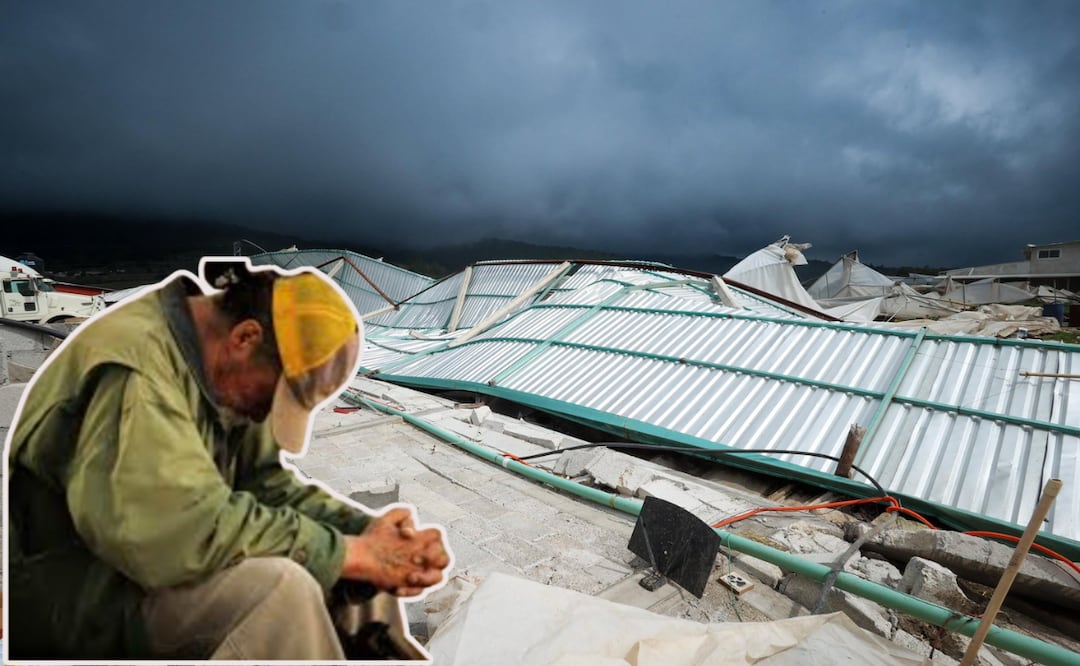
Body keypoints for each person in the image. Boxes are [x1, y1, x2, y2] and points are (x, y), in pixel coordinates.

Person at [5, 259, 451, 660]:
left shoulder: (227, 366)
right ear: (246, 338)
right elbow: (169, 532)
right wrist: (346, 553)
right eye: (272, 397)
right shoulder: (137, 370)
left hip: (146, 582)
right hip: (89, 610)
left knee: (360, 573)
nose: (264, 414)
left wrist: (370, 537)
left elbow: (265, 485)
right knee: (282, 590)